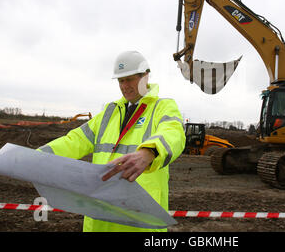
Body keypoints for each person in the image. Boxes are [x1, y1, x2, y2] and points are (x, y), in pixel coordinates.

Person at [37, 50, 185, 232]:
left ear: (145, 76)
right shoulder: (110, 112)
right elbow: (74, 140)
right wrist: (39, 157)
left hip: (139, 220)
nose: (125, 86)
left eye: (130, 79)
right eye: (121, 80)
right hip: (101, 217)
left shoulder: (163, 107)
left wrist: (149, 151)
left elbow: (173, 133)